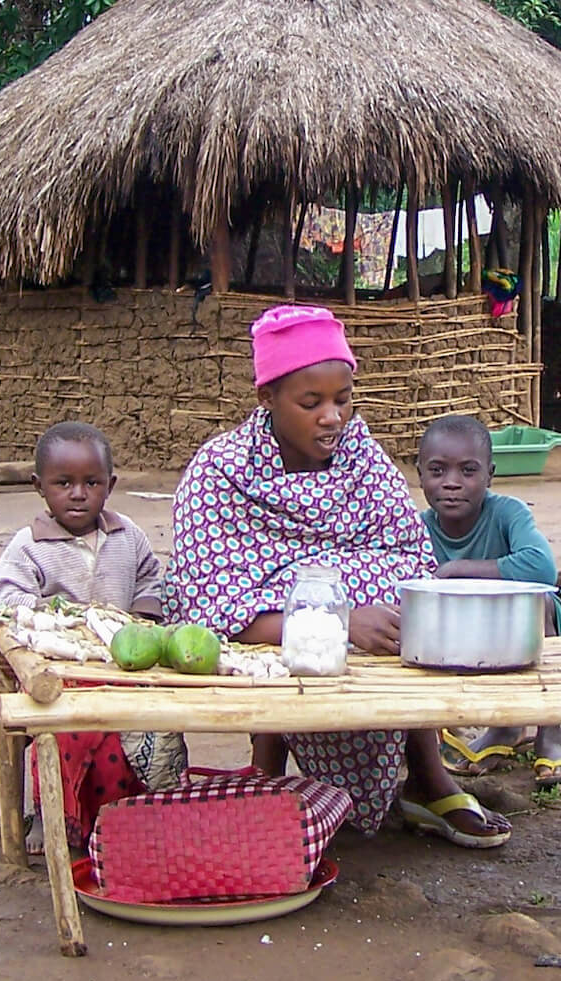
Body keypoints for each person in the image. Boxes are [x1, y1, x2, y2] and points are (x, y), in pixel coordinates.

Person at [168, 305, 511, 848]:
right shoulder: (218, 474)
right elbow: (213, 604)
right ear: (267, 400)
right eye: (312, 403)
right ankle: (266, 774)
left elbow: (408, 555)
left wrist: (346, 594)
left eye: (343, 400)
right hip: (262, 638)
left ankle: (426, 774)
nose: (332, 417)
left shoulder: (364, 458)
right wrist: (337, 618)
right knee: (310, 593)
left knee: (405, 598)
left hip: (367, 632)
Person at [0, 421, 180, 852]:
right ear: (40, 487)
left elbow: (152, 579)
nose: (78, 494)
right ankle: (50, 814)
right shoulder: (28, 546)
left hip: (122, 665)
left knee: (149, 725)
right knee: (61, 732)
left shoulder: (126, 536)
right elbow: (6, 598)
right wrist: (56, 620)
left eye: (91, 483)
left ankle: (131, 811)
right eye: (64, 483)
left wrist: (142, 613)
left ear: (109, 486)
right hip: (58, 668)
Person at [415, 414, 561, 786]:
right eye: (438, 471)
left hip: (530, 634)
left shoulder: (508, 513)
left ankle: (550, 733)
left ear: (490, 474)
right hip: (464, 638)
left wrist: (457, 570)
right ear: (420, 473)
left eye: (468, 471)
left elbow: (541, 568)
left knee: (540, 604)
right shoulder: (418, 529)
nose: (452, 483)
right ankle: (498, 729)